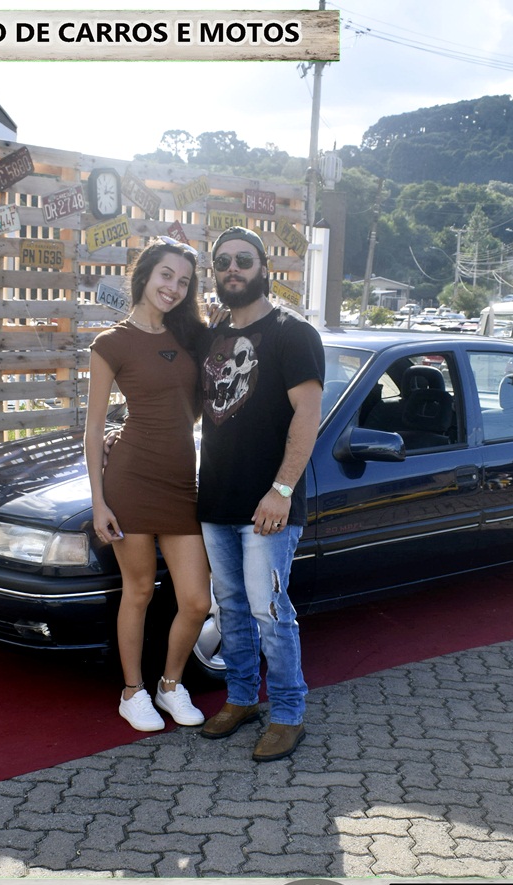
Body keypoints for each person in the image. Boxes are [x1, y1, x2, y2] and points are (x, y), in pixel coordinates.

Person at [196, 227, 324, 762]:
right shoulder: (212, 337)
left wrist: (282, 490)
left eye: (243, 260)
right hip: (216, 500)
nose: (233, 269)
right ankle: (243, 698)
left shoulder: (293, 334)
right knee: (230, 609)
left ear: (263, 268)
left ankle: (289, 714)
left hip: (268, 506)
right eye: (223, 261)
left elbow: (308, 415)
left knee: (270, 610)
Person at [85, 238, 213, 732]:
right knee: (138, 590)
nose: (174, 288)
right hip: (131, 479)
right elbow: (93, 428)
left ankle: (171, 686)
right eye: (166, 275)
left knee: (196, 601)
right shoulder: (111, 343)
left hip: (181, 481)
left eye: (183, 281)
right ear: (145, 275)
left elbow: (193, 409)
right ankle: (132, 692)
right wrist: (99, 502)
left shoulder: (190, 337)